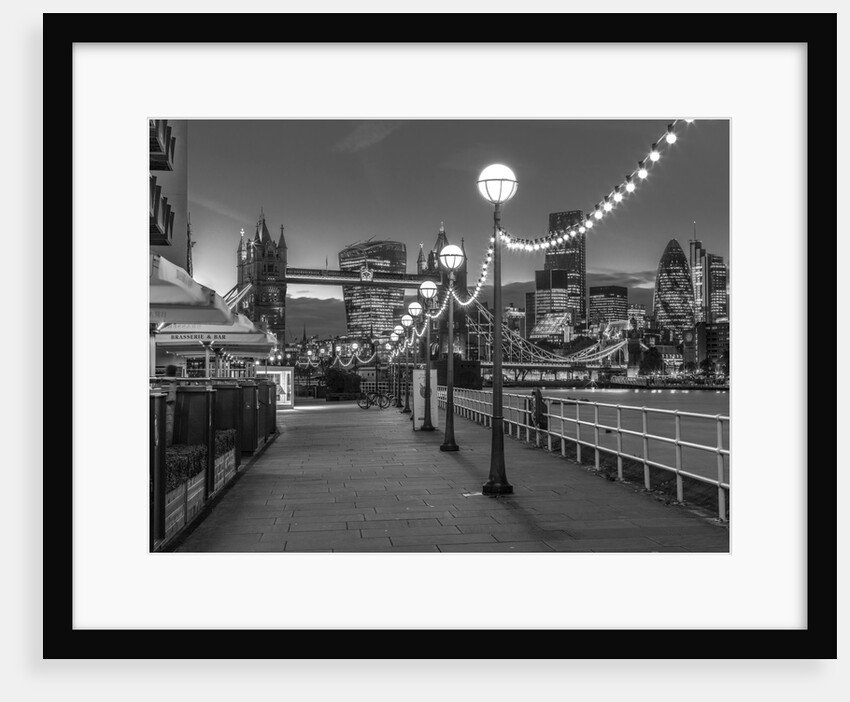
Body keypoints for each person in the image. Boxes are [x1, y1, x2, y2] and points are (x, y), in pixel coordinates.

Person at [164, 365, 178, 446]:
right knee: (169, 423)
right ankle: (167, 443)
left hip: (166, 402)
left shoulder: (164, 380)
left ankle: (166, 443)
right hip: (169, 403)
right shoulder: (173, 381)